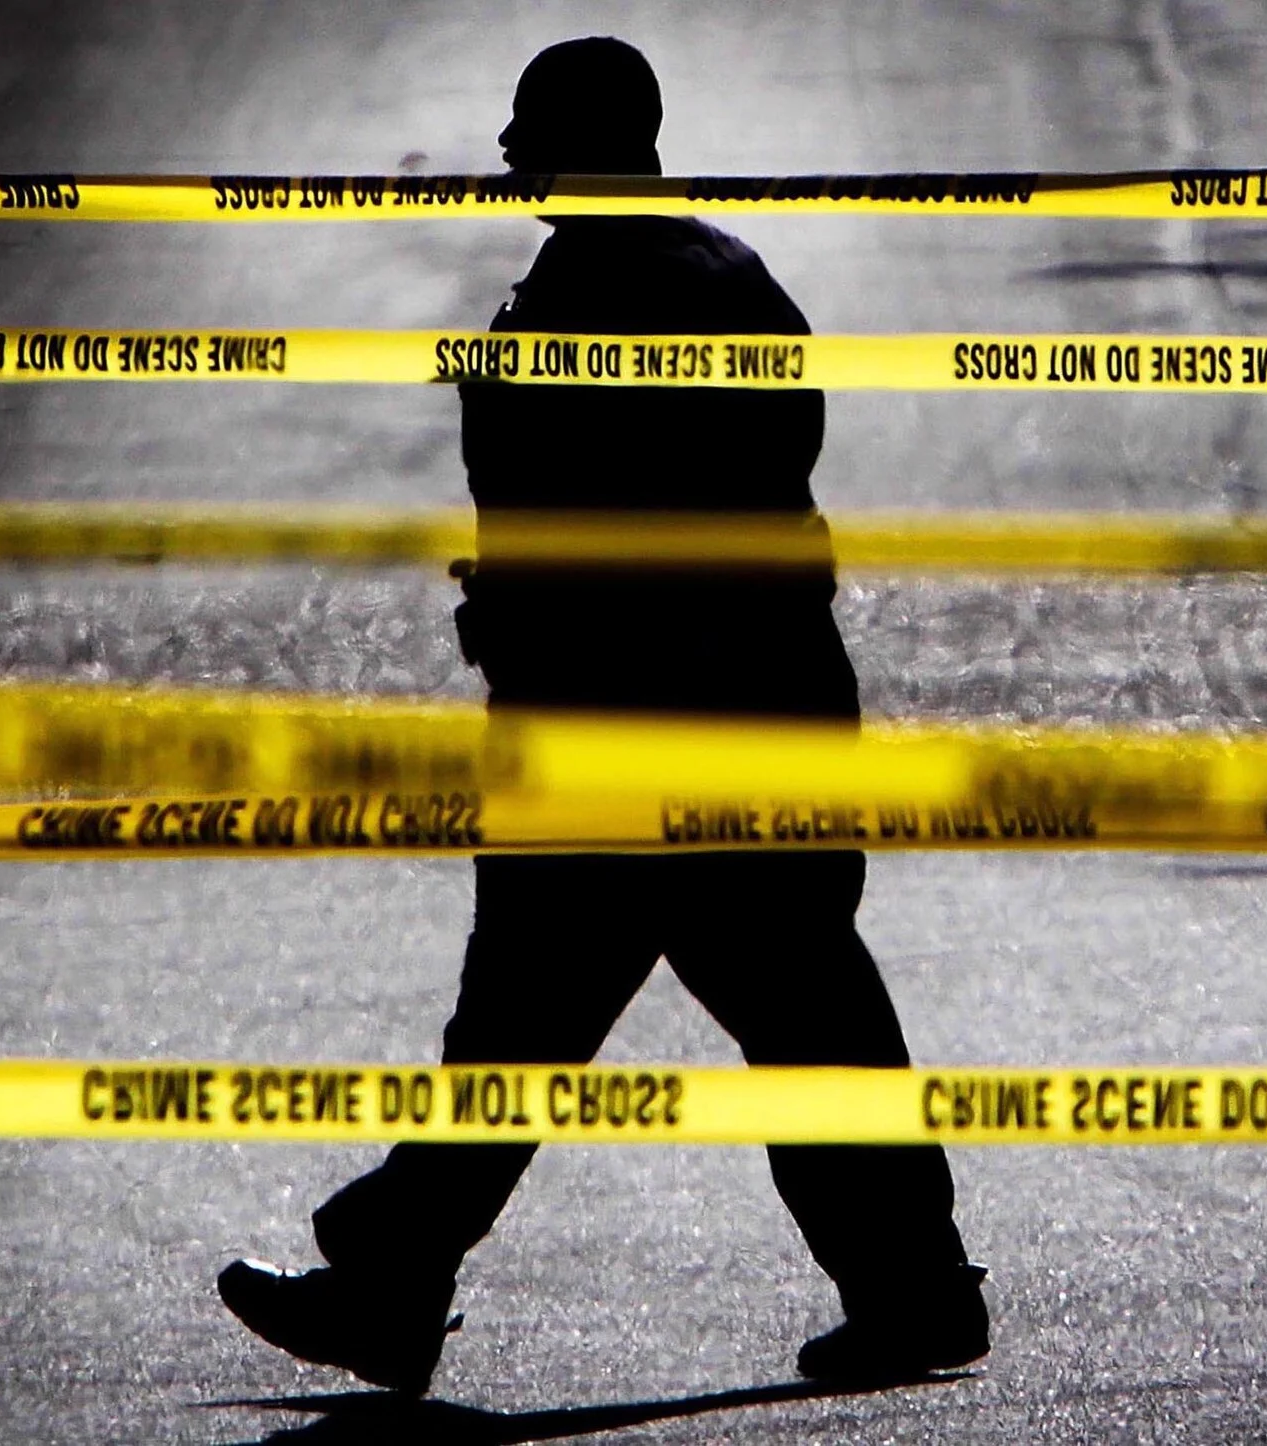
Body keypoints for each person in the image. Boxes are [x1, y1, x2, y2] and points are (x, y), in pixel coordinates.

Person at [216, 37, 988, 1396]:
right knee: (772, 1002)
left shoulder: (605, 293)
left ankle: (400, 1272)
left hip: (636, 727)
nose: (518, 169)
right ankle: (910, 1285)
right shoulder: (729, 279)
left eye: (532, 143)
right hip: (746, 711)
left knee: (566, 1012)